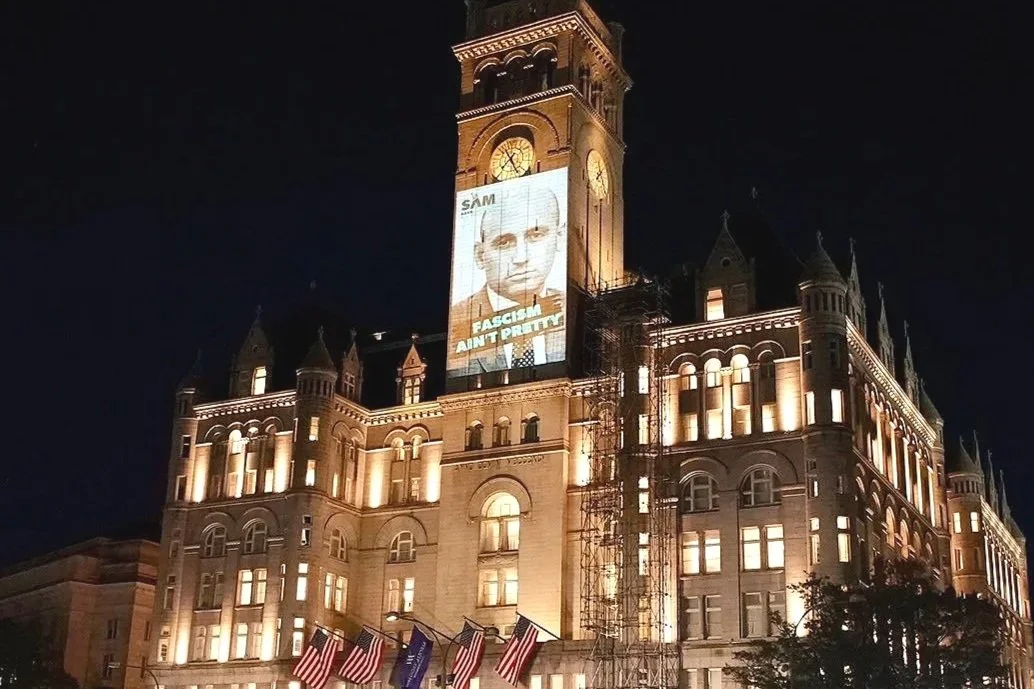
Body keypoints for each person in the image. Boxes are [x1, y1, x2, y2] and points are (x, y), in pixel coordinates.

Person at [448, 179, 566, 376]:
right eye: (504, 243)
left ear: (559, 237)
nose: (521, 257)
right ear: (480, 255)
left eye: (535, 236)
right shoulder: (458, 320)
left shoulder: (574, 311)